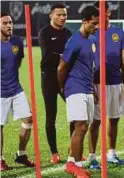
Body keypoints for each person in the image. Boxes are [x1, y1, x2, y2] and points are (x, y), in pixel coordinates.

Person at [86, 2, 124, 169]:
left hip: (116, 82)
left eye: (101, 12)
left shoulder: (118, 33)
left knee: (114, 119)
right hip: (98, 83)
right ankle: (92, 158)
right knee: (96, 121)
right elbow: (87, 62)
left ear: (109, 13)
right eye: (96, 14)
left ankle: (111, 153)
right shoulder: (92, 33)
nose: (98, 16)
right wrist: (91, 86)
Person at [57, 6, 99, 177]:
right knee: (80, 126)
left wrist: (93, 90)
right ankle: (75, 167)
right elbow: (61, 67)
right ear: (85, 21)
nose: (96, 26)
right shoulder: (74, 41)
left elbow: (89, 67)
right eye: (94, 23)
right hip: (75, 88)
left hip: (87, 88)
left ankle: (72, 162)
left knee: (82, 127)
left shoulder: (91, 40)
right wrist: (63, 88)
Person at [0, 12, 36, 172]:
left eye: (10, 22)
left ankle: (21, 154)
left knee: (28, 119)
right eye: (5, 23)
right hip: (0, 92)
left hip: (15, 88)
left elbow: (18, 62)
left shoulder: (17, 41)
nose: (9, 25)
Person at [38, 3, 72, 164]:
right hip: (49, 79)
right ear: (51, 15)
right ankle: (54, 153)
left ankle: (73, 149)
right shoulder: (44, 33)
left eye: (64, 15)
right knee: (51, 116)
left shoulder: (69, 33)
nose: (62, 18)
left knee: (76, 114)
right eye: (59, 14)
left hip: (66, 78)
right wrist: (66, 57)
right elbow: (50, 55)